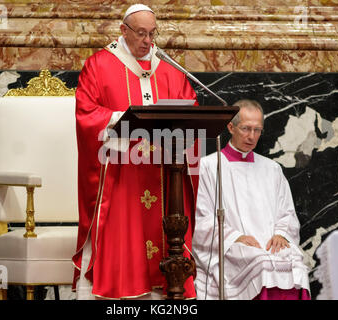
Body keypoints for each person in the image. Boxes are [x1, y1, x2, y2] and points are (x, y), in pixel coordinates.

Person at [71, 4, 198, 299]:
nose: (148, 41)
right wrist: (121, 120)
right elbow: (86, 114)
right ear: (123, 31)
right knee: (125, 240)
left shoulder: (168, 68)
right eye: (141, 33)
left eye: (152, 34)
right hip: (121, 174)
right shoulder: (99, 65)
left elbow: (190, 107)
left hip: (164, 174)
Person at [193, 99, 311, 300]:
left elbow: (287, 212)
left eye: (257, 130)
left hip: (270, 245)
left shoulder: (272, 169)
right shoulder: (208, 167)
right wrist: (234, 237)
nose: (251, 136)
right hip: (232, 246)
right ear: (230, 126)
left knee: (295, 264)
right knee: (261, 263)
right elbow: (201, 219)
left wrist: (281, 234)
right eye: (246, 129)